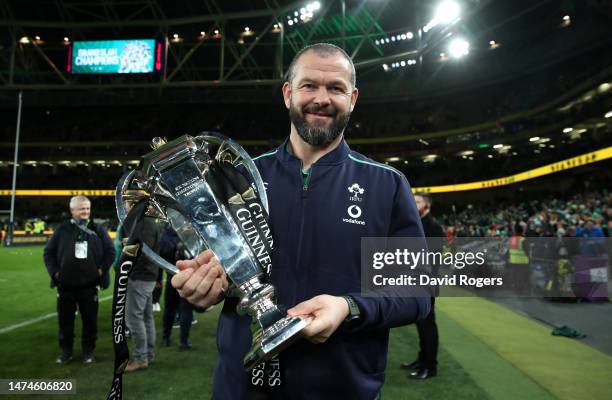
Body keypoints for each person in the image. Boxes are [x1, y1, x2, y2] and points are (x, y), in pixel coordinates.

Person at [171, 43, 430, 399]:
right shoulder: (237, 178)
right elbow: (211, 271)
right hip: (242, 389)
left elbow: (416, 295)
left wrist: (348, 307)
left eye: (336, 88)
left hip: (343, 390)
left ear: (352, 98)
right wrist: (200, 288)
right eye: (309, 85)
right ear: (288, 93)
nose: (322, 98)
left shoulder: (386, 185)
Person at [43, 195, 115, 364]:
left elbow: (110, 252)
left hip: (89, 286)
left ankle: (88, 352)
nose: (86, 212)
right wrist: (55, 273)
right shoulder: (62, 230)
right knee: (65, 322)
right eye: (82, 208)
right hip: (66, 286)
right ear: (72, 210)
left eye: (88, 208)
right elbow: (48, 253)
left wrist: (100, 271)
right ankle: (66, 352)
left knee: (90, 322)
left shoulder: (98, 229)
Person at [401, 192, 444, 379]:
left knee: (427, 325)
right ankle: (422, 359)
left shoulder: (432, 227)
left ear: (427, 205)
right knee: (420, 324)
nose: (413, 204)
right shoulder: (416, 224)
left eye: (417, 201)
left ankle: (430, 366)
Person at [123, 216, 162, 372]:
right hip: (148, 275)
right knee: (146, 317)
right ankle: (148, 354)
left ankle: (141, 358)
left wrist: (128, 250)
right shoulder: (148, 222)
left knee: (133, 318)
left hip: (140, 276)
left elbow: (144, 252)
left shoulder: (143, 223)